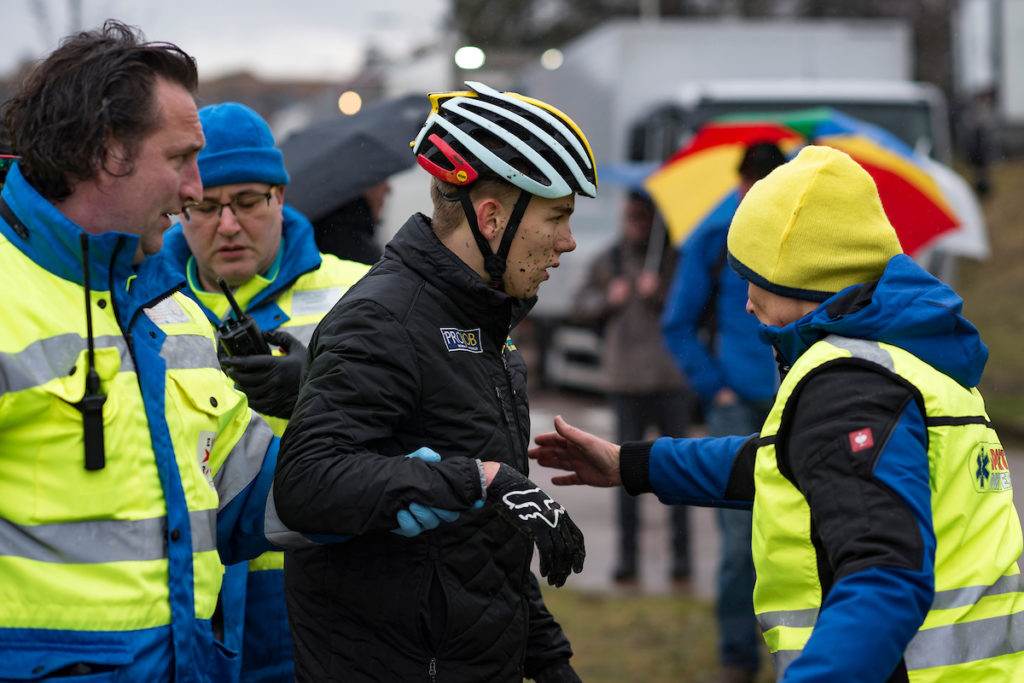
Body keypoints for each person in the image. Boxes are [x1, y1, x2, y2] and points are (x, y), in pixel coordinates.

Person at [530, 145, 1024, 681]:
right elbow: (778, 462)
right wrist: (630, 464)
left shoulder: (848, 384)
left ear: (799, 275)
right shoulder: (910, 361)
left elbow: (882, 576)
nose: (745, 301)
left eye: (754, 276)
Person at [0, 21, 318, 681]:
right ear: (106, 151)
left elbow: (249, 492)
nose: (197, 189)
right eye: (181, 158)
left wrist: (410, 477)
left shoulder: (169, 308)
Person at [274, 80, 593, 682]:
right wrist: (482, 477)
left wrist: (549, 661)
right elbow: (307, 482)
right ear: (493, 218)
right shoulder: (385, 318)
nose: (568, 242)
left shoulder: (484, 327)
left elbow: (478, 547)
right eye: (558, 217)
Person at [156, 102, 371, 682]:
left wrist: (314, 390)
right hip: (202, 596)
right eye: (205, 206)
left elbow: (419, 426)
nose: (227, 225)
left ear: (281, 196)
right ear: (180, 207)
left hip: (328, 583)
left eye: (248, 202)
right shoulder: (148, 310)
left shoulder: (359, 294)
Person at [660, 141, 785, 682]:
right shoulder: (713, 239)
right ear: (741, 185)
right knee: (739, 544)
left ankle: (801, 655)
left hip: (794, 402)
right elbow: (677, 322)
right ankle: (738, 657)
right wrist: (716, 390)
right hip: (735, 405)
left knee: (801, 534)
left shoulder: (795, 239)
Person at [571, 190, 692, 585]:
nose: (635, 222)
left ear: (655, 220)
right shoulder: (609, 260)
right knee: (622, 473)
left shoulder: (674, 260)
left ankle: (682, 559)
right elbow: (581, 305)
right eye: (630, 216)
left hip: (670, 380)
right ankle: (627, 560)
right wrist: (610, 297)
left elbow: (695, 310)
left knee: (678, 473)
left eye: (642, 216)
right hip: (625, 381)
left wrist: (658, 292)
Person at [311, 179, 390, 264]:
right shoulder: (359, 249)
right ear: (364, 186)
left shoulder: (318, 228)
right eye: (381, 181)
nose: (388, 188)